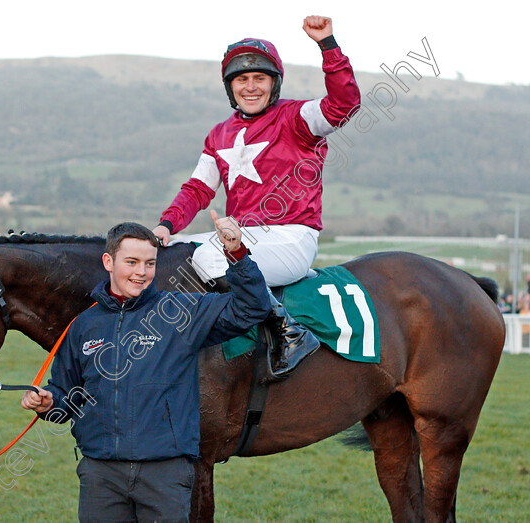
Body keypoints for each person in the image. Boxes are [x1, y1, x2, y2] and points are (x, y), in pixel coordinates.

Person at [21, 212, 271, 522]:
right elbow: (65, 396)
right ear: (108, 262)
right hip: (101, 476)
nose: (142, 272)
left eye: (150, 263)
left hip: (165, 474)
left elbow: (252, 308)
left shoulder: (180, 311)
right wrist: (47, 402)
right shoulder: (83, 326)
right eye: (132, 262)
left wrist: (236, 253)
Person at [153, 15, 361, 376]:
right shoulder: (219, 133)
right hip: (240, 237)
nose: (250, 87)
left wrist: (328, 45)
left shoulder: (298, 117)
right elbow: (198, 189)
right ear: (230, 87)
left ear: (274, 83)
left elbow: (345, 104)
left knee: (209, 260)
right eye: (241, 79)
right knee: (167, 254)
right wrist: (166, 225)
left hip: (291, 237)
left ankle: (289, 330)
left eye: (259, 78)